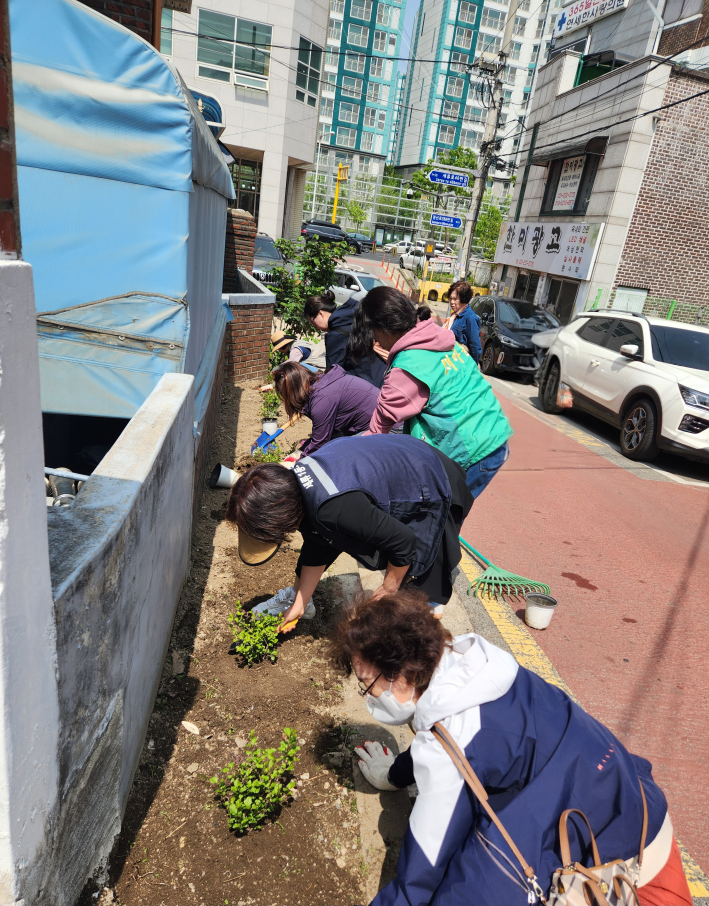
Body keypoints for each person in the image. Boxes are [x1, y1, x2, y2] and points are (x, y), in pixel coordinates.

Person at [333, 590, 692, 906]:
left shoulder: (450, 742)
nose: (368, 696)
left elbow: (421, 869)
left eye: (367, 684)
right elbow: (446, 742)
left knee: (465, 892)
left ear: (404, 672)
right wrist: (395, 775)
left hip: (624, 868)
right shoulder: (470, 664)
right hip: (634, 800)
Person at [226, 434, 472, 622]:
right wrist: (299, 604)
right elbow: (317, 544)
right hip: (408, 458)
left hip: (434, 481)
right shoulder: (299, 482)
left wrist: (389, 587)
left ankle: (424, 633)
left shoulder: (334, 508)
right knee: (399, 572)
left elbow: (404, 541)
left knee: (420, 587)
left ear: (279, 516)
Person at [352, 287, 513, 500]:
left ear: (383, 327)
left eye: (374, 333)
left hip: (473, 450)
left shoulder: (407, 366)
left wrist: (348, 463)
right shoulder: (438, 337)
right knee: (440, 511)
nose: (376, 340)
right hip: (493, 430)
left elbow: (376, 433)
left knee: (437, 514)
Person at [272, 361, 379, 457]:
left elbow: (319, 444)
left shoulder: (322, 399)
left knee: (343, 457)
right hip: (376, 419)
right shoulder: (321, 383)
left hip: (380, 428)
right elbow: (325, 433)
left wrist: (297, 464)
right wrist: (302, 450)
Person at [304, 290, 387, 388]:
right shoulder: (356, 314)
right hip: (385, 374)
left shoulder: (335, 335)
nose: (316, 328)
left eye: (313, 323)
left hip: (366, 384)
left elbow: (333, 374)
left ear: (321, 313)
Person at [448, 280, 482, 363]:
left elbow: (475, 347)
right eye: (451, 298)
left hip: (459, 363)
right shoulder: (455, 315)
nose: (452, 302)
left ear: (463, 299)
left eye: (455, 299)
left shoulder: (471, 318)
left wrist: (472, 366)